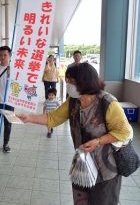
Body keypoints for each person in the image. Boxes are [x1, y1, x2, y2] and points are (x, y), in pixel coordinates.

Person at [17, 62, 132, 205]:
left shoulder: (107, 103)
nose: (67, 84)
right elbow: (52, 118)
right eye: (67, 81)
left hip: (106, 168)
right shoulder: (73, 102)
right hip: (82, 166)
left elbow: (124, 132)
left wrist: (98, 141)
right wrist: (29, 118)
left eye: (71, 81)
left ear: (84, 81)